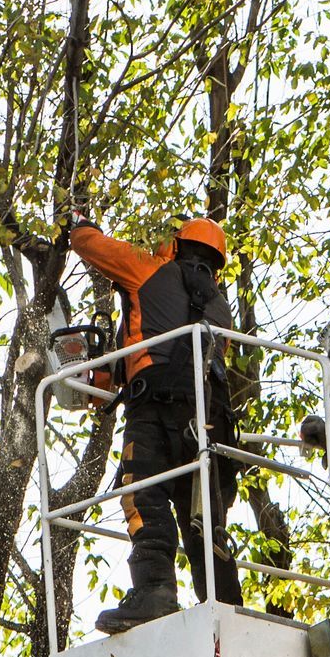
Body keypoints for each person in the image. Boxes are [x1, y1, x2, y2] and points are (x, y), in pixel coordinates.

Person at [68, 210, 244, 630]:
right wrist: (107, 377)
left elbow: (91, 246)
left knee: (142, 496)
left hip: (154, 412)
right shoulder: (219, 309)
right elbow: (165, 351)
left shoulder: (148, 270)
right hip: (209, 421)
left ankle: (155, 590)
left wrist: (77, 224)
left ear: (178, 245)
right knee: (201, 515)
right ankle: (227, 606)